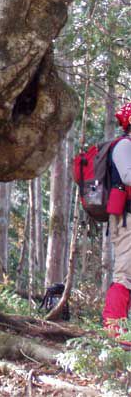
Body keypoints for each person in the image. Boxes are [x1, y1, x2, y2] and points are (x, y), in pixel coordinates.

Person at [102, 102, 131, 343]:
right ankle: (115, 329)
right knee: (124, 273)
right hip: (125, 220)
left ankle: (122, 328)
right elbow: (128, 176)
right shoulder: (123, 146)